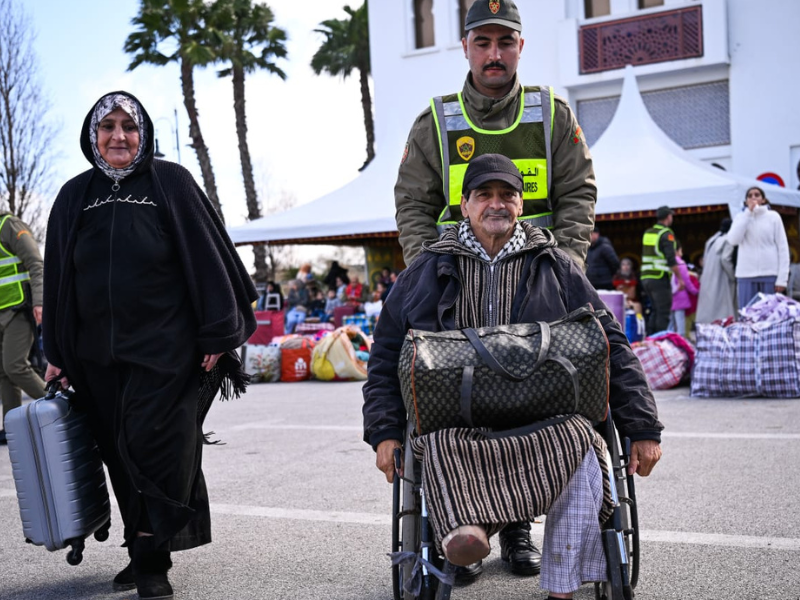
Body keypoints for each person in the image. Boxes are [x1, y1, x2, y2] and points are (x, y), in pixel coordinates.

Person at [364, 154, 662, 597]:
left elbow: (610, 344)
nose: (496, 204)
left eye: (508, 195)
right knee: (435, 443)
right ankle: (467, 532)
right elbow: (387, 353)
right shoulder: (426, 270)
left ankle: (562, 585)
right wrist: (385, 430)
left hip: (543, 422)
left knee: (586, 441)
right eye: (484, 194)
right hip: (456, 428)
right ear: (464, 205)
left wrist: (641, 426)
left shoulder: (556, 265)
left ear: (522, 205)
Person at [42, 91, 257, 600]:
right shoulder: (75, 195)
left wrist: (217, 334)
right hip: (96, 357)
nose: (118, 136)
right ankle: (143, 547)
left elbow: (210, 258)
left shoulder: (171, 182)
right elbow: (58, 279)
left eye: (128, 126)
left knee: (159, 447)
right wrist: (57, 351)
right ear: (91, 135)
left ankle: (149, 558)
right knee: (120, 454)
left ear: (145, 133)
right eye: (107, 127)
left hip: (167, 352)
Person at [394, 0, 596, 269]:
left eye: (505, 43)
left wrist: (565, 271)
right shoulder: (433, 124)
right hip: (458, 288)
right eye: (482, 44)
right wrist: (428, 278)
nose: (494, 55)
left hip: (539, 282)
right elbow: (413, 207)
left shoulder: (554, 116)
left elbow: (577, 195)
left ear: (520, 46)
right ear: (465, 47)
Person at [0, 213, 47, 446]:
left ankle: (60, 407)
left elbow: (35, 263)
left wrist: (39, 301)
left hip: (19, 309)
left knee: (14, 365)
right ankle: (12, 428)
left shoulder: (9, 225)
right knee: (3, 372)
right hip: (1, 311)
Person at [727, 186, 790, 309]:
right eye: (750, 196)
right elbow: (733, 240)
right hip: (746, 275)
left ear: (763, 199)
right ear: (746, 201)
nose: (753, 198)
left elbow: (782, 248)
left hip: (770, 274)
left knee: (770, 316)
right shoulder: (741, 217)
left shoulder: (773, 217)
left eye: (757, 195)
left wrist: (782, 279)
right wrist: (748, 214)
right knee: (747, 315)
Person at [641, 206, 681, 334]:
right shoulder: (666, 234)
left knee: (654, 310)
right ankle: (660, 340)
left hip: (646, 278)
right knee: (663, 312)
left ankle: (650, 339)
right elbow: (671, 259)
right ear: (668, 217)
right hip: (659, 277)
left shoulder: (648, 232)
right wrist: (680, 279)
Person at [695, 218, 736, 323]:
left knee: (710, 306)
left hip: (708, 275)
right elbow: (725, 259)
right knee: (722, 307)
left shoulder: (711, 240)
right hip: (721, 277)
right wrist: (733, 276)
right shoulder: (728, 239)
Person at [669, 242, 699, 337]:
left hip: (669, 296)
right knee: (680, 323)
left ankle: (667, 342)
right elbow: (687, 282)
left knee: (670, 324)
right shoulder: (681, 264)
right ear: (677, 251)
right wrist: (695, 291)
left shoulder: (666, 263)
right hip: (680, 296)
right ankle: (681, 342)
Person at [586, 226, 620, 290]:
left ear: (597, 234)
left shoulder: (605, 247)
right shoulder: (589, 249)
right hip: (592, 283)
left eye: (591, 234)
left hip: (605, 283)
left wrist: (608, 275)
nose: (589, 236)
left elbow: (615, 263)